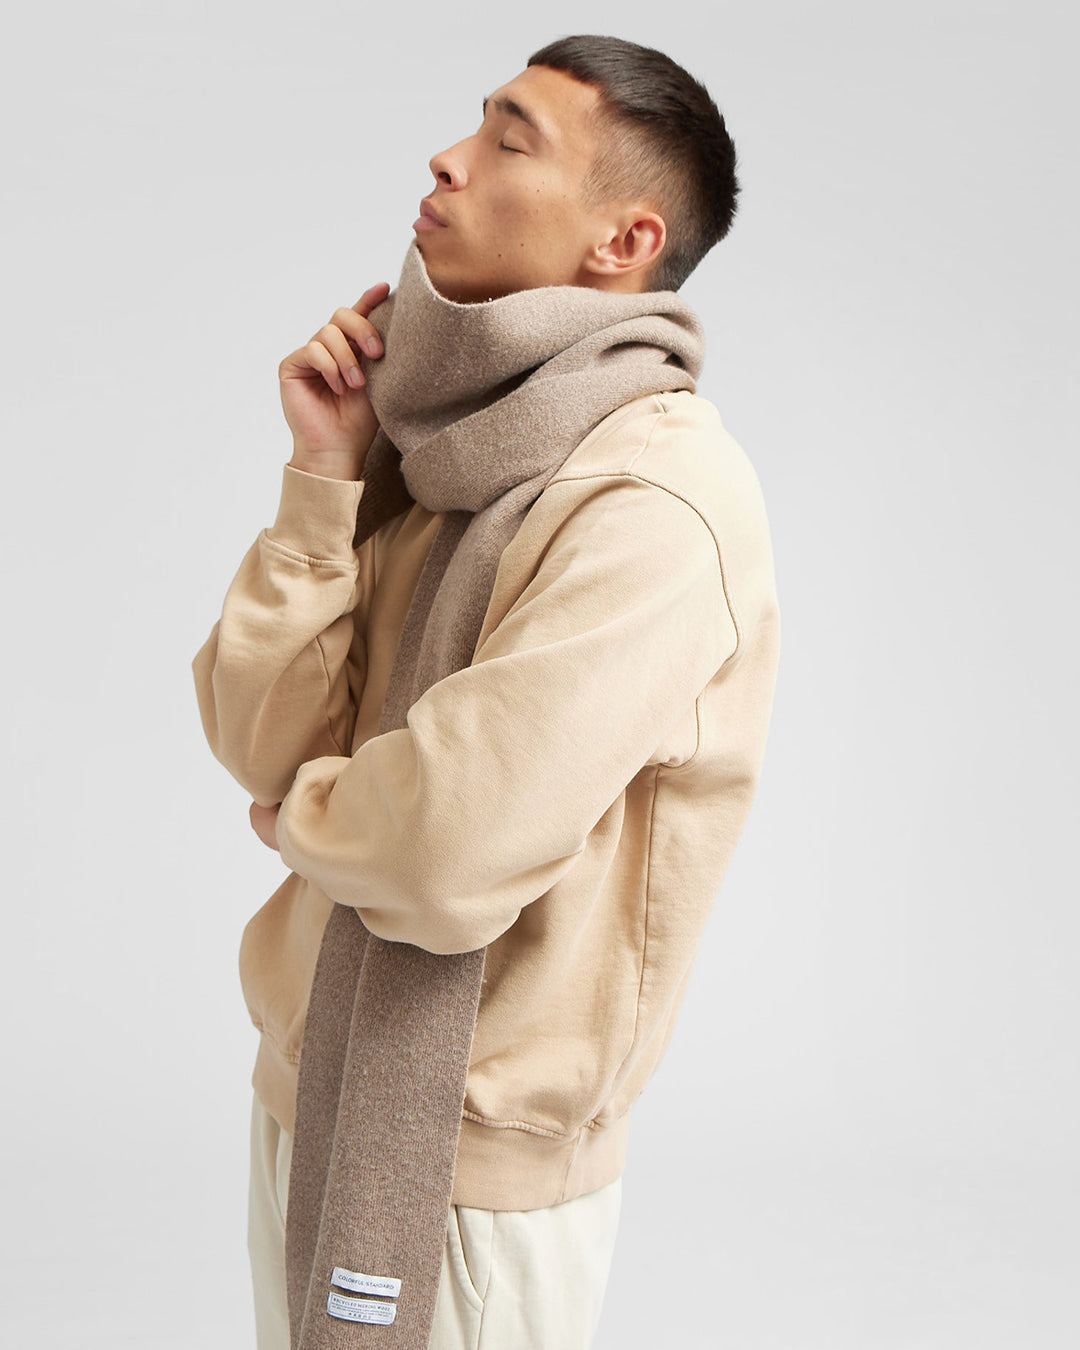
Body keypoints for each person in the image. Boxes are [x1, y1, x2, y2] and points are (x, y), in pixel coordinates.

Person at [191, 32, 781, 1350]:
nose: (447, 160)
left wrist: (299, 822)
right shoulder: (429, 452)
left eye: (511, 142)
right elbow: (257, 736)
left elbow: (448, 846)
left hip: (467, 1170)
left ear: (623, 242)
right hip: (305, 1092)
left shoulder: (654, 499)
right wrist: (323, 476)